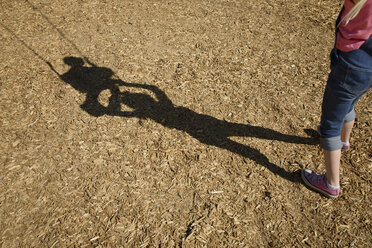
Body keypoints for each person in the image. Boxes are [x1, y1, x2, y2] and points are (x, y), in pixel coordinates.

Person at [302, 0, 372, 198]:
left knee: (330, 125)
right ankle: (344, 141)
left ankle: (331, 183)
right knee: (348, 102)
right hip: (369, 68)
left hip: (351, 62)